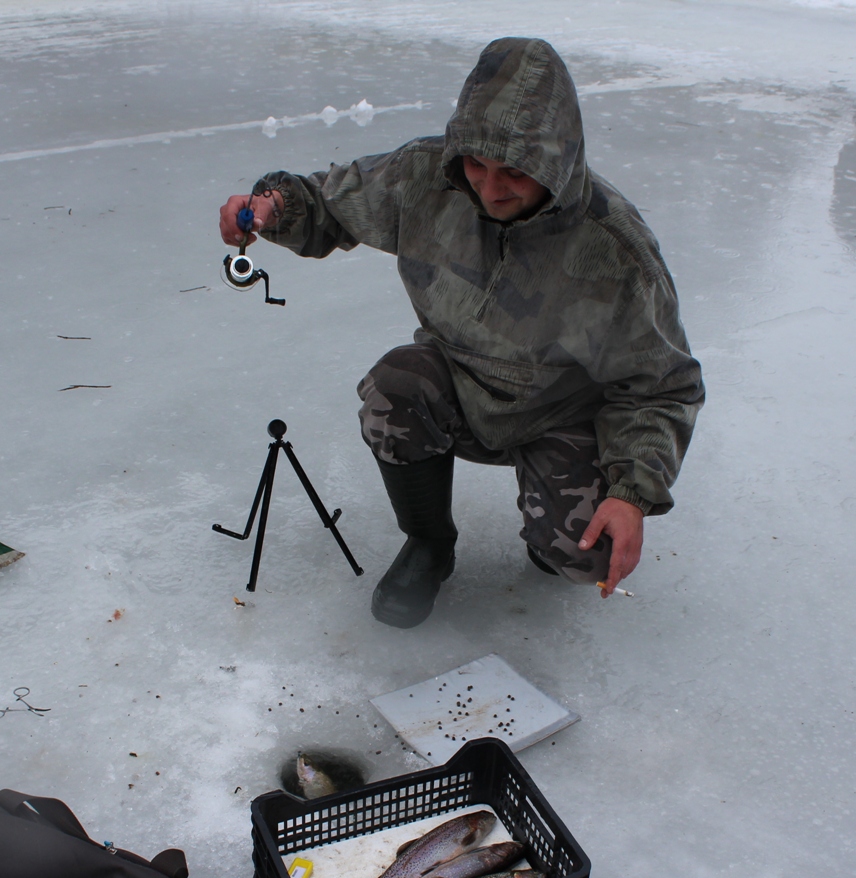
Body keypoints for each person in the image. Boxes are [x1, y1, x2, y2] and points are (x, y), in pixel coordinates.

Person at [218, 38, 703, 629]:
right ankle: (429, 543)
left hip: (565, 413)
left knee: (583, 557)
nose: (490, 189)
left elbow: (661, 388)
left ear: (557, 160)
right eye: (477, 165)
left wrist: (630, 493)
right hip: (460, 385)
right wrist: (271, 205)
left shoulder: (615, 251)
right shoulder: (428, 179)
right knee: (393, 390)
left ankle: (547, 523)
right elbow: (328, 202)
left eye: (516, 172)